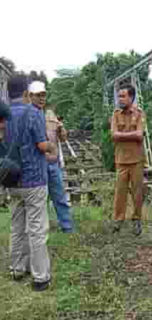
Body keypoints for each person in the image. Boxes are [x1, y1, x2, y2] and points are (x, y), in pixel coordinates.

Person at [6, 76, 56, 291]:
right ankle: (40, 277)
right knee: (36, 229)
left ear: (7, 93)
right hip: (34, 179)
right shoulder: (33, 113)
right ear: (26, 93)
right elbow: (42, 145)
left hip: (12, 180)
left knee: (17, 226)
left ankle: (17, 269)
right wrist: (53, 145)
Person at [110, 84, 145, 235]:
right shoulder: (115, 114)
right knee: (120, 192)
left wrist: (121, 136)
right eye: (119, 96)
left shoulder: (139, 114)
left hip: (136, 160)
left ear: (131, 97)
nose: (120, 99)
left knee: (137, 192)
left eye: (123, 96)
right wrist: (131, 135)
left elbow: (140, 135)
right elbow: (113, 135)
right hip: (121, 159)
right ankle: (118, 220)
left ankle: (137, 219)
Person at [44, 103, 74, 233]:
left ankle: (67, 227)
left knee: (60, 196)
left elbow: (63, 139)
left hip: (54, 163)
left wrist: (61, 127)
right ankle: (42, 229)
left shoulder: (53, 119)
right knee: (40, 199)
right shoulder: (32, 117)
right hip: (38, 164)